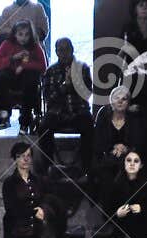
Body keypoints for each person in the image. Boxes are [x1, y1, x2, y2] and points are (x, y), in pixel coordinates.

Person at [40, 37, 94, 175]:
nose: (64, 53)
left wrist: (75, 83)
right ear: (56, 52)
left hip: (78, 111)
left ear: (72, 50)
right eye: (61, 50)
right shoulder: (50, 71)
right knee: (44, 127)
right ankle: (48, 168)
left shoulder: (83, 68)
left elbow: (87, 93)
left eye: (67, 49)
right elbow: (48, 98)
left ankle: (87, 169)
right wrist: (64, 86)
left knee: (89, 126)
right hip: (57, 112)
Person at [0, 140, 51, 238]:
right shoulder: (9, 183)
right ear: (15, 159)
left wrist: (43, 209)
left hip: (34, 230)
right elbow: (11, 208)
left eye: (28, 155)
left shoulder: (37, 181)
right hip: (14, 231)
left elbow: (44, 199)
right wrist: (34, 211)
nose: (26, 159)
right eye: (22, 156)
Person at [0, 17, 47, 133]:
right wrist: (13, 58)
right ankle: (4, 115)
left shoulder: (35, 46)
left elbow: (43, 66)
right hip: (10, 77)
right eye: (20, 34)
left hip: (27, 78)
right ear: (15, 34)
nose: (23, 38)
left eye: (27, 35)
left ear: (31, 35)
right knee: (1, 78)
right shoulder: (7, 44)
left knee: (31, 80)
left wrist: (24, 66)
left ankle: (25, 120)